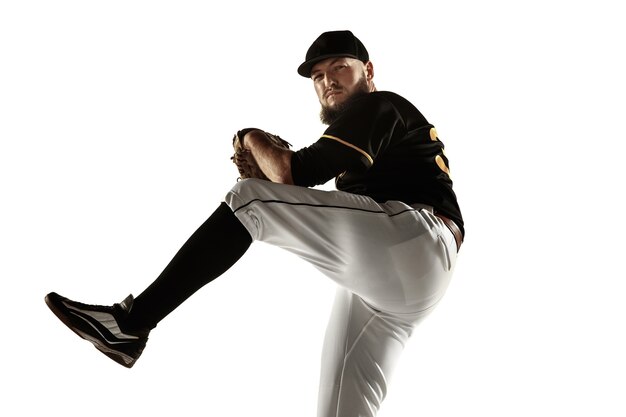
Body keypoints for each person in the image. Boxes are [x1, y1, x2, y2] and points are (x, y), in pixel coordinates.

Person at [45, 30, 464, 417]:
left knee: (250, 200)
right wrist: (276, 179)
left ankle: (132, 324)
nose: (327, 80)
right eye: (317, 75)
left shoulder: (379, 104)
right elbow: (299, 182)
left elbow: (290, 175)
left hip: (414, 237)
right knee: (341, 404)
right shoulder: (369, 134)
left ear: (368, 71)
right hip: (406, 278)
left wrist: (249, 136)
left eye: (339, 67)